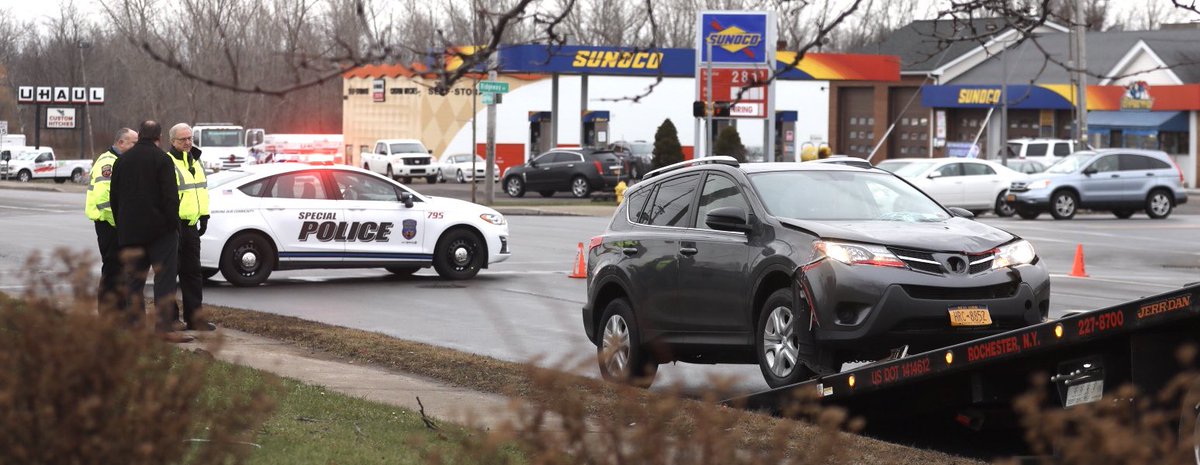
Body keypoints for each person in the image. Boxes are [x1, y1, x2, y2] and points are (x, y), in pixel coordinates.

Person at [109, 120, 192, 343]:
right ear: (160, 137)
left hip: (130, 231)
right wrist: (173, 225)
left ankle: (135, 325)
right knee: (164, 279)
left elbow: (114, 198)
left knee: (134, 280)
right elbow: (170, 197)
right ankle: (163, 327)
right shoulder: (162, 160)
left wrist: (122, 225)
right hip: (160, 233)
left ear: (140, 135)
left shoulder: (122, 160)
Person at [166, 123, 215, 331]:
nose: (187, 143)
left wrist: (204, 216)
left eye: (189, 139)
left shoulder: (195, 160)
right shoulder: (167, 162)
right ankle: (171, 320)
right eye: (182, 140)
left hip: (192, 226)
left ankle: (195, 318)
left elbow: (201, 191)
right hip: (174, 227)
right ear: (172, 142)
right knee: (169, 275)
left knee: (193, 273)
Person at [85, 127, 137, 315]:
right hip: (110, 225)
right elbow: (104, 199)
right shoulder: (108, 163)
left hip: (117, 225)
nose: (136, 147)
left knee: (120, 271)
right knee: (113, 270)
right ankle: (109, 315)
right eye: (133, 143)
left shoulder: (120, 161)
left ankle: (118, 313)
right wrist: (120, 224)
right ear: (121, 143)